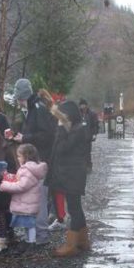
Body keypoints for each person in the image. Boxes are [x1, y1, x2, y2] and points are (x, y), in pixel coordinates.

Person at [11, 78, 57, 245]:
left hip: (40, 162)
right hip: (35, 162)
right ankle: (36, 235)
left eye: (18, 98)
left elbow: (48, 135)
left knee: (39, 199)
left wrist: (26, 138)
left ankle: (41, 236)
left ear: (22, 97)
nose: (18, 102)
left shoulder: (38, 109)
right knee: (35, 198)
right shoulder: (32, 109)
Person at [47, 100, 90, 257]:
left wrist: (60, 128)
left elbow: (61, 149)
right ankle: (83, 241)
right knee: (76, 207)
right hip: (72, 174)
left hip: (73, 175)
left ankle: (71, 244)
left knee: (74, 209)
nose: (60, 118)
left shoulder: (76, 130)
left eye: (62, 115)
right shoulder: (77, 127)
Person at [0, 144, 48, 246]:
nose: (17, 158)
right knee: (29, 223)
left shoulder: (27, 169)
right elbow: (22, 180)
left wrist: (5, 185)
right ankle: (31, 240)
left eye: (19, 156)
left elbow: (22, 186)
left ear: (26, 156)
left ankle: (31, 242)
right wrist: (10, 177)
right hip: (30, 201)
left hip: (28, 202)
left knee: (29, 224)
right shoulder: (32, 168)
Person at [78, 98, 99, 172]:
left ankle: (88, 166)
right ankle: (82, 166)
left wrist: (94, 134)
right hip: (80, 137)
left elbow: (95, 124)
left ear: (86, 106)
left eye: (84, 105)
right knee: (80, 152)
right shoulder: (78, 114)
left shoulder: (92, 114)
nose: (83, 107)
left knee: (87, 152)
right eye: (81, 105)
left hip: (88, 136)